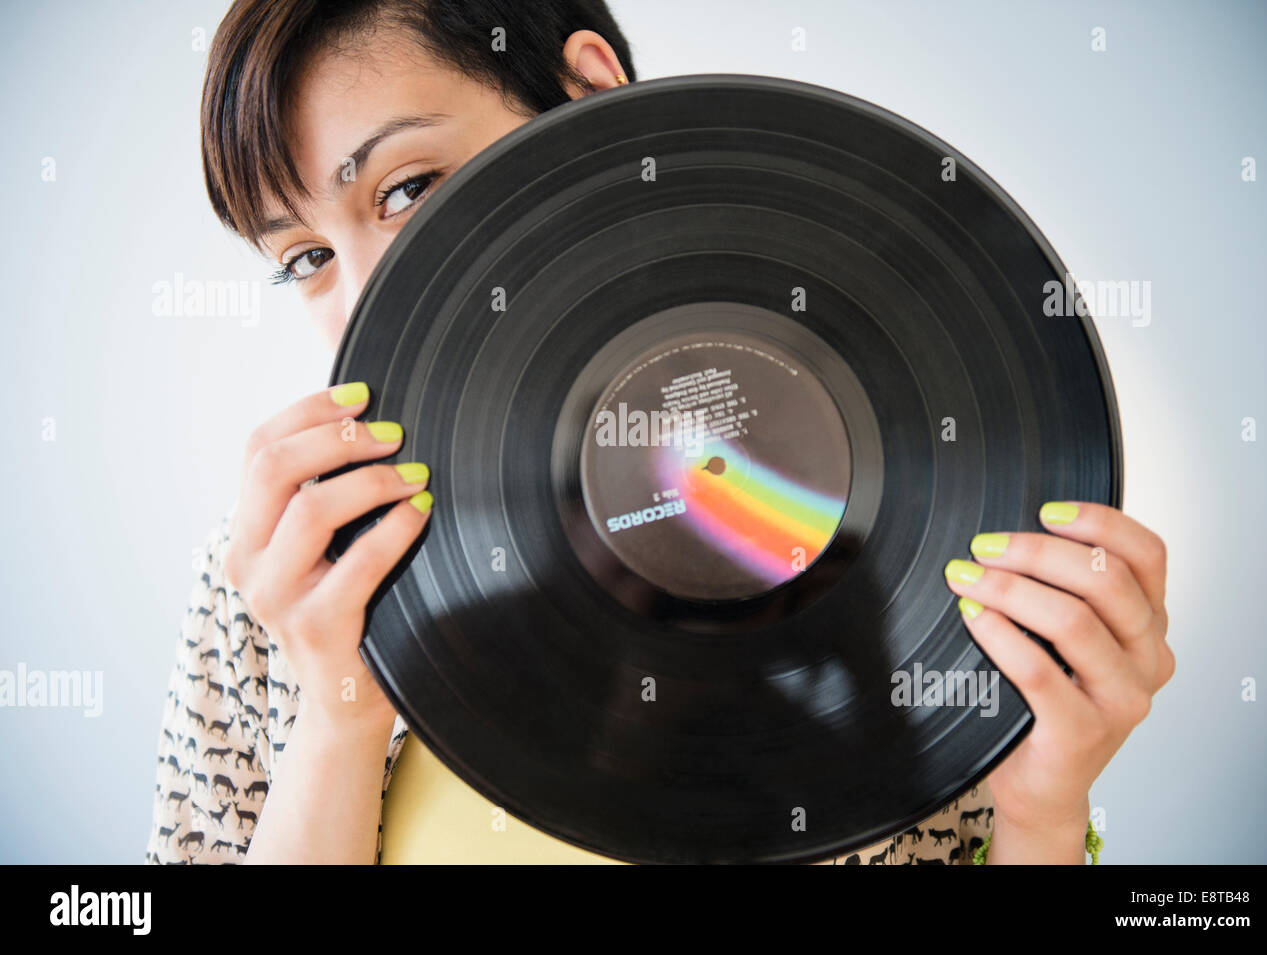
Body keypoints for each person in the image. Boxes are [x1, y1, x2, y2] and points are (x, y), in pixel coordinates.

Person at [147, 0, 1173, 865]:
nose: (367, 291)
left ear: (588, 95)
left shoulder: (949, 521)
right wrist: (338, 717)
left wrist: (1043, 813)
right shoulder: (274, 577)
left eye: (408, 189)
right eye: (303, 258)